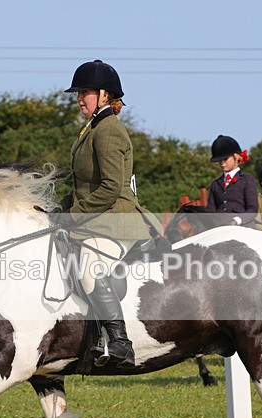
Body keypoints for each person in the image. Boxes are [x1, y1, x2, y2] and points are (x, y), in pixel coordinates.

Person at [63, 59, 162, 369]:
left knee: (89, 270)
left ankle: (120, 343)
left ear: (104, 95)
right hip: (98, 218)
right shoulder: (91, 128)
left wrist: (73, 215)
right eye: (78, 93)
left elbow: (109, 188)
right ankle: (89, 339)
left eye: (86, 92)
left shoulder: (108, 130)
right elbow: (83, 184)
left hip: (117, 220)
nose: (80, 98)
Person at [206, 135, 258, 227]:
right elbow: (210, 210)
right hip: (220, 228)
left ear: (236, 157)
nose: (222, 163)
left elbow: (253, 209)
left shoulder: (247, 180)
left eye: (225, 159)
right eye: (219, 161)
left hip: (242, 227)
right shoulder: (215, 185)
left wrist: (237, 220)